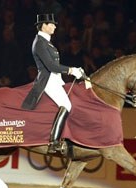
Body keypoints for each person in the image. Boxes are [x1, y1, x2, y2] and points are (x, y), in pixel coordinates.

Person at [21, 13, 85, 154]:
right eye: (52, 24)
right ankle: (54, 142)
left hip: (56, 79)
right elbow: (51, 66)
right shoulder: (39, 42)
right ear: (44, 25)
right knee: (66, 105)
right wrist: (71, 70)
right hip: (48, 80)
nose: (55, 26)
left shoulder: (47, 42)